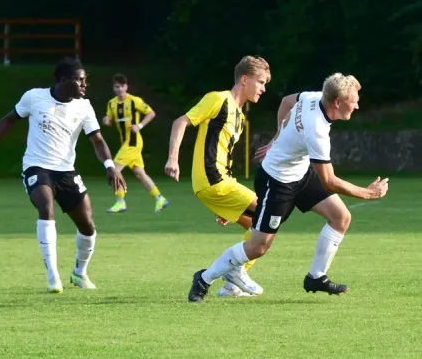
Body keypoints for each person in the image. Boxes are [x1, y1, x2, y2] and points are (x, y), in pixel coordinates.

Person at [187, 73, 389, 302]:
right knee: (258, 246)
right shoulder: (317, 131)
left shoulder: (315, 96)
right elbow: (329, 181)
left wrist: (276, 139)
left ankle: (316, 277)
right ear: (337, 102)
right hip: (277, 182)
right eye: (354, 100)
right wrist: (368, 193)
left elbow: (286, 101)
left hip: (301, 174)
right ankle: (204, 278)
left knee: (341, 217)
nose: (358, 104)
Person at [0, 58, 126, 294]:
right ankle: (53, 276)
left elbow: (97, 140)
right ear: (63, 80)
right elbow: (9, 119)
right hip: (36, 167)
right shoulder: (34, 97)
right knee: (46, 208)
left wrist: (110, 166)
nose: (84, 85)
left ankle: (79, 273)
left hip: (66, 171)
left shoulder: (84, 107)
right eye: (80, 80)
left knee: (88, 226)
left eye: (85, 80)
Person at [165, 55, 271, 299]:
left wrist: (221, 206)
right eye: (261, 82)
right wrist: (173, 158)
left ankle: (231, 285)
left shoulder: (241, 118)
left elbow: (224, 156)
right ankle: (232, 274)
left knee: (259, 232)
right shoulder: (217, 99)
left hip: (222, 184)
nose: (264, 89)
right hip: (213, 181)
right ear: (245, 79)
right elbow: (180, 122)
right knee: (268, 213)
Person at [102, 73, 169, 213]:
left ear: (126, 87)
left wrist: (140, 126)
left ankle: (120, 202)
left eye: (121, 86)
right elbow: (109, 118)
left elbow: (151, 113)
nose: (119, 89)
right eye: (116, 87)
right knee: (140, 173)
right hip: (125, 143)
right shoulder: (111, 103)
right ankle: (160, 199)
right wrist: (107, 121)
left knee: (114, 170)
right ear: (113, 88)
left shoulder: (134, 101)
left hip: (133, 142)